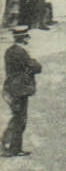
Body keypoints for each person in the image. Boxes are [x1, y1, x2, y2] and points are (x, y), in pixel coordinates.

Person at [3, 26, 41, 157]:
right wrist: (33, 62)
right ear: (23, 38)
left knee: (17, 118)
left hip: (12, 88)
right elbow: (36, 67)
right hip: (19, 90)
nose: (28, 39)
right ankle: (12, 148)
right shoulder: (21, 52)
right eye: (26, 37)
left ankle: (9, 146)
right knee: (19, 120)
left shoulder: (10, 51)